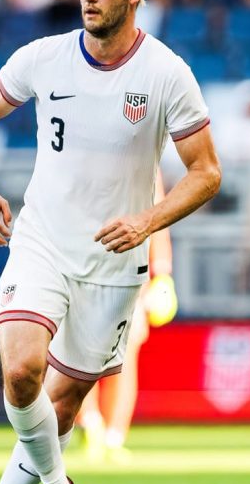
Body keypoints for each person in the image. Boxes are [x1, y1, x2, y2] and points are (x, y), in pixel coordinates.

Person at [0, 0, 220, 484]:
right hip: (43, 242)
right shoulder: (44, 58)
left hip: (114, 265)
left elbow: (206, 172)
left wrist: (147, 222)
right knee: (21, 369)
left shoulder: (166, 74)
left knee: (61, 405)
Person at [75, 173, 177, 463]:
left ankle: (114, 434)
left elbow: (159, 211)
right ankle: (91, 422)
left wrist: (162, 272)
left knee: (126, 349)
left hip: (133, 266)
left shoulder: (144, 155)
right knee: (83, 350)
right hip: (87, 263)